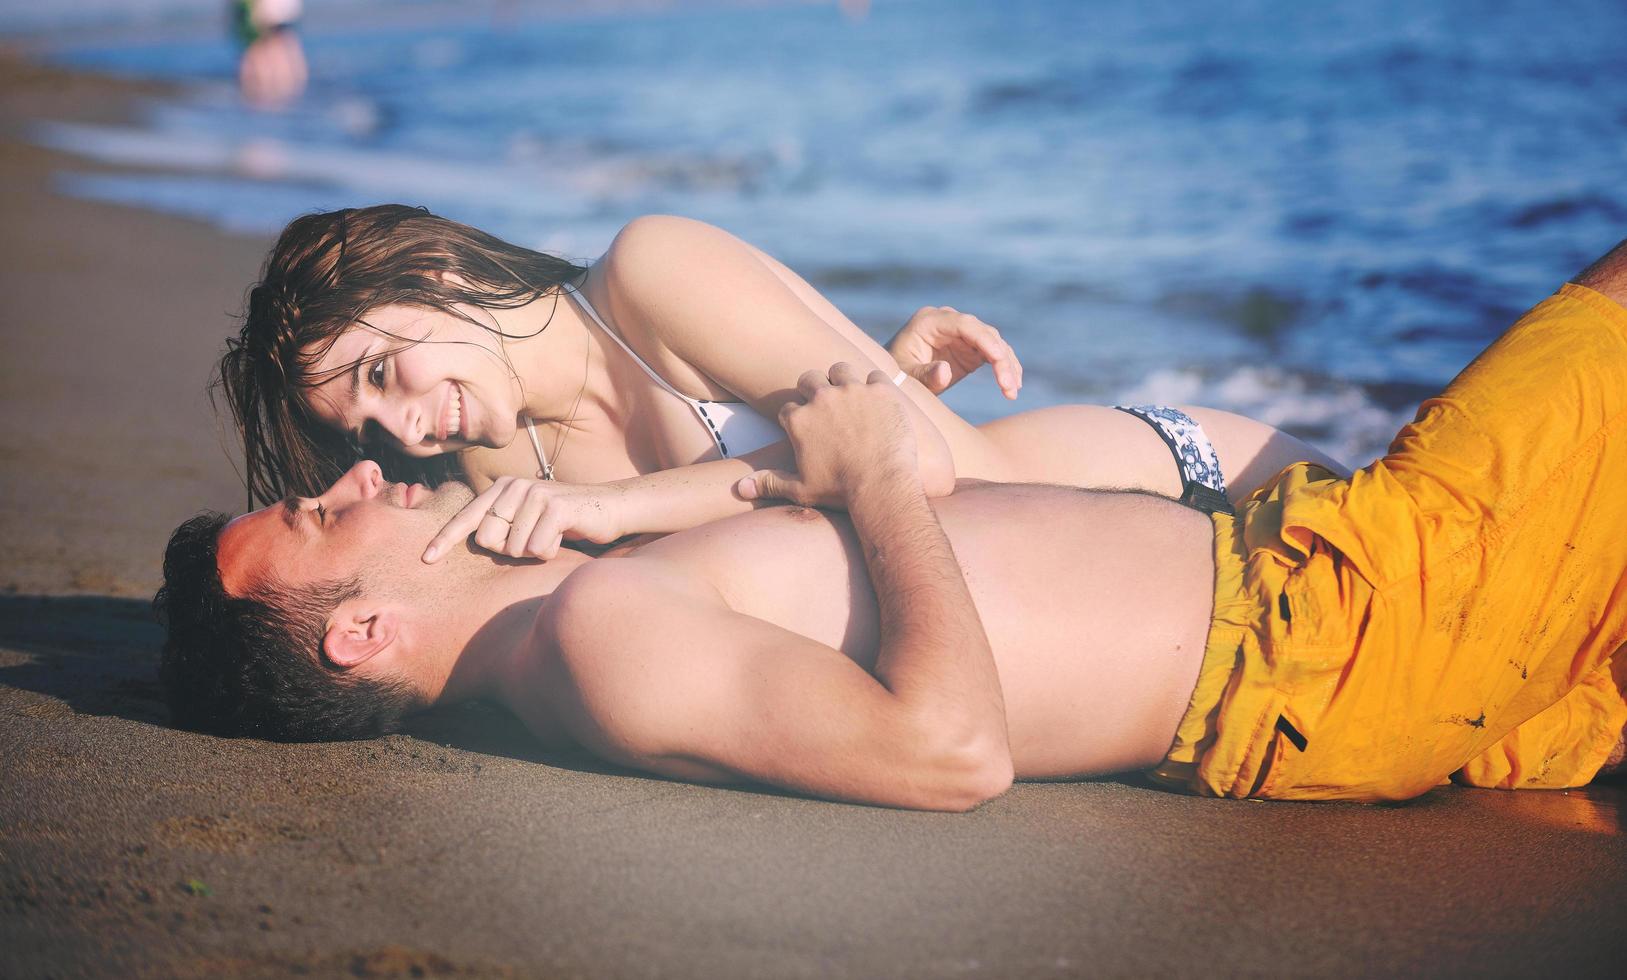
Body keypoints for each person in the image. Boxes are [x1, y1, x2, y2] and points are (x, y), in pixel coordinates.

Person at [162, 241, 1627, 807]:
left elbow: (812, 483)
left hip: (1314, 590)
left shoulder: (576, 596)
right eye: (321, 510)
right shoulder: (597, 633)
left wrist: (874, 410)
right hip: (1327, 629)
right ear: (359, 631)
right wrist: (868, 471)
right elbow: (951, 756)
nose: (367, 467)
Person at [220, 205, 1344, 564]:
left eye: (382, 369)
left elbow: (922, 465)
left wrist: (613, 509)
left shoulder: (649, 271)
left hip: (1199, 492)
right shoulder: (492, 466)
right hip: (1125, 604)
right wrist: (868, 396)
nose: (406, 422)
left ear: (436, 267)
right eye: (369, 420)